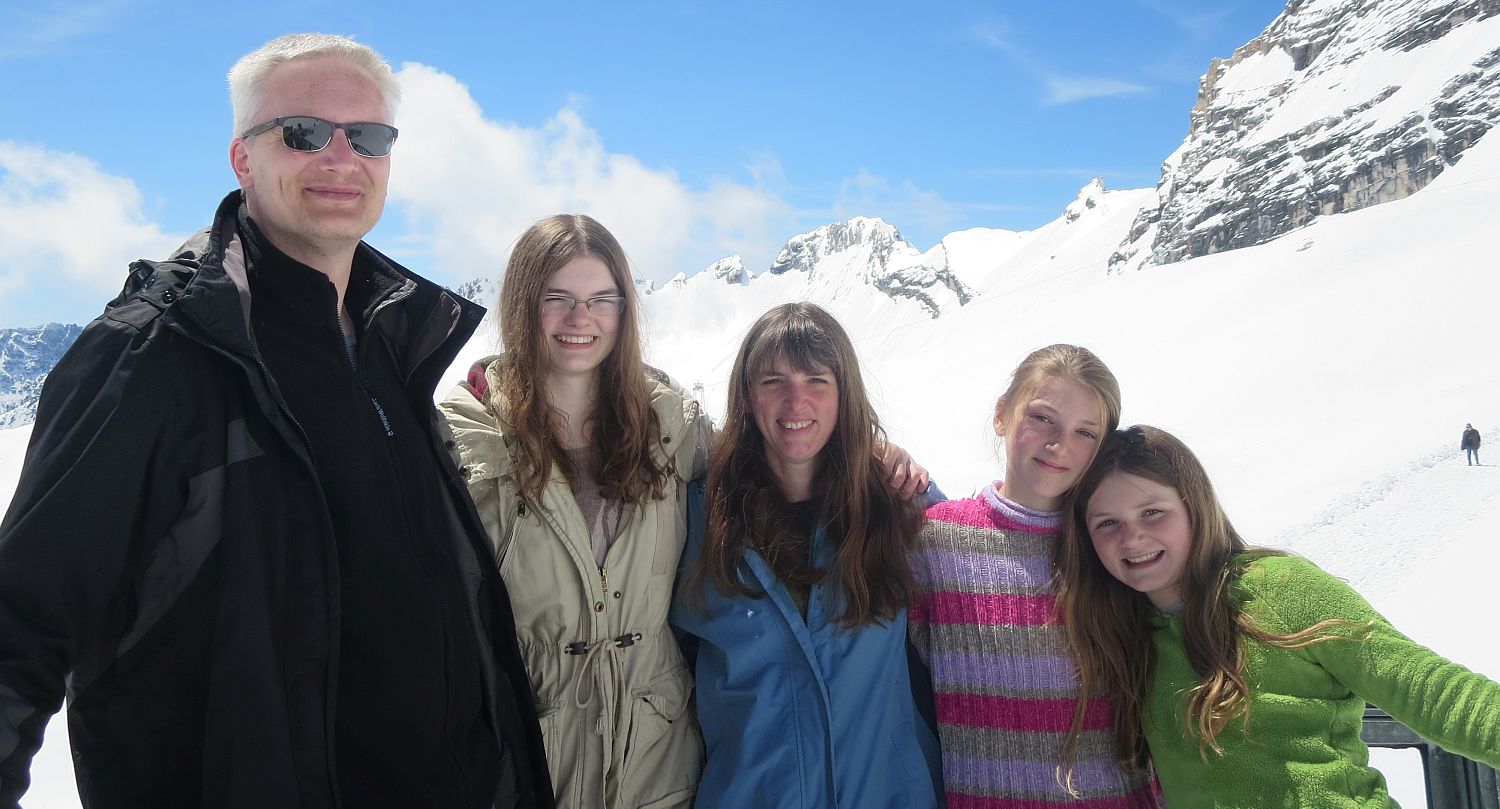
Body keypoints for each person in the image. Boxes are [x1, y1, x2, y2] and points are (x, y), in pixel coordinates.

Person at [0, 34, 550, 809]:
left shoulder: (394, 339)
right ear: (242, 158)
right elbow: (19, 625)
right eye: (302, 131)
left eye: (368, 136)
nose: (339, 156)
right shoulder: (154, 354)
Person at [1057, 424, 1500, 808]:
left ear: (1194, 508)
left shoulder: (1279, 589)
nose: (1133, 537)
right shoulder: (1127, 634)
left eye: (1152, 512)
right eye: (1107, 523)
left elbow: (1433, 691)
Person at [439, 214, 712, 808]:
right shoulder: (465, 432)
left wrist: (874, 451)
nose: (579, 318)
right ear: (520, 306)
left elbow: (774, 466)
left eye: (599, 299)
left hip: (658, 768)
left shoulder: (672, 425)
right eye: (556, 298)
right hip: (529, 757)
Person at [670, 302, 942, 809]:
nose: (796, 401)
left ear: (844, 396)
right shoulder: (696, 519)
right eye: (773, 380)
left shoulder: (898, 504)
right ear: (747, 398)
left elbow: (988, 583)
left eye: (817, 380)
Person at [908, 344, 1160, 808]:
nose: (1059, 443)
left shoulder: (1112, 545)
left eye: (1085, 432)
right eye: (1042, 418)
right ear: (1002, 414)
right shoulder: (934, 542)